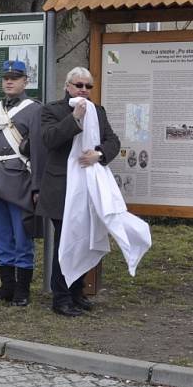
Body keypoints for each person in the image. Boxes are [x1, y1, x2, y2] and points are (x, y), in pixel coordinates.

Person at [38, 67, 121, 317]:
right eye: (78, 85)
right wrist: (74, 118)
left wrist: (99, 154)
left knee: (85, 240)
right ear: (67, 86)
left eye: (88, 86)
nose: (84, 90)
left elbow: (112, 141)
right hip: (62, 188)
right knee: (68, 241)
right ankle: (61, 297)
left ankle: (76, 292)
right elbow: (50, 139)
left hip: (89, 187)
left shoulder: (98, 112)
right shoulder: (52, 110)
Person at [0, 60, 45, 307]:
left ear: (25, 81)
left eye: (15, 77)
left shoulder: (34, 110)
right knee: (2, 238)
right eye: (6, 77)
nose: (9, 81)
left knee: (21, 238)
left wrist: (37, 187)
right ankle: (6, 286)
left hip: (19, 183)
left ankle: (22, 290)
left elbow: (38, 150)